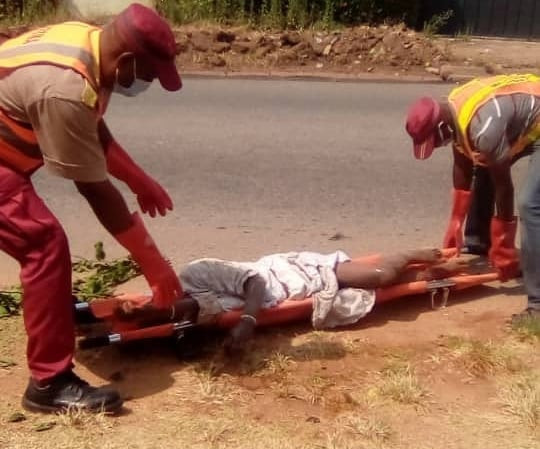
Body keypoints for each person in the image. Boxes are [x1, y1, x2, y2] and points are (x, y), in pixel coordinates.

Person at [0, 3, 184, 413]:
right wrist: (153, 262)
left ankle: (50, 311)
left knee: (39, 242)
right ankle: (48, 385)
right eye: (147, 75)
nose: (146, 84)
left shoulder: (86, 41)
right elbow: (94, 189)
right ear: (127, 61)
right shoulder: (64, 87)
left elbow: (90, 124)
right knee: (42, 242)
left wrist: (138, 178)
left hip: (8, 148)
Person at [117, 247, 467, 354]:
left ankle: (410, 254)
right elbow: (188, 311)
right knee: (385, 291)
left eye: (148, 305)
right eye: (152, 313)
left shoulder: (198, 272)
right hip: (302, 290)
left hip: (297, 270)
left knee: (380, 279)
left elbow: (254, 281)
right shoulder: (200, 307)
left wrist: (248, 322)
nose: (154, 309)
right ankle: (431, 273)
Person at [405, 74, 540, 323]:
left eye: (435, 142)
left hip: (535, 126)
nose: (437, 146)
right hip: (522, 118)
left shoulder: (484, 129)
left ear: (441, 127)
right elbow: (463, 165)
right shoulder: (455, 109)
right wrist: (455, 223)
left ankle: (537, 306)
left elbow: (504, 187)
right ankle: (478, 244)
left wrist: (505, 244)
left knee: (530, 203)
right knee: (483, 163)